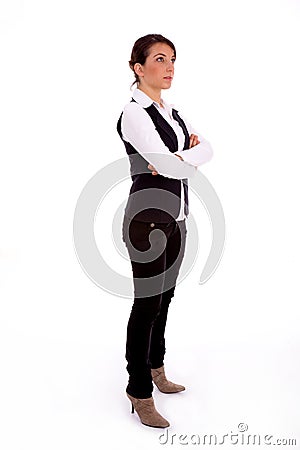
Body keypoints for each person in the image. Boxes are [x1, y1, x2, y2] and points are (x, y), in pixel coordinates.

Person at [117, 34, 213, 428]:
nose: (169, 66)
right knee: (147, 305)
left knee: (166, 298)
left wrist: (179, 158)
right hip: (146, 223)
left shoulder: (174, 112)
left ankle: (156, 366)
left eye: (172, 58)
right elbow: (169, 164)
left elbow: (206, 149)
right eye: (159, 58)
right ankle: (139, 390)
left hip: (176, 219)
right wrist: (178, 160)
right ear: (139, 68)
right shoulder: (134, 113)